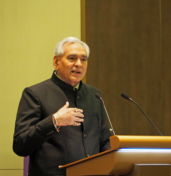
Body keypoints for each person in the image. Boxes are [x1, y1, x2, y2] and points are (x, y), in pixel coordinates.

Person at [13, 37, 111, 176]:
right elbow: (20, 146)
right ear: (56, 62)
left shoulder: (94, 95)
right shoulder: (35, 94)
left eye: (83, 59)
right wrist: (54, 121)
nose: (79, 64)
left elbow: (104, 141)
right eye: (72, 58)